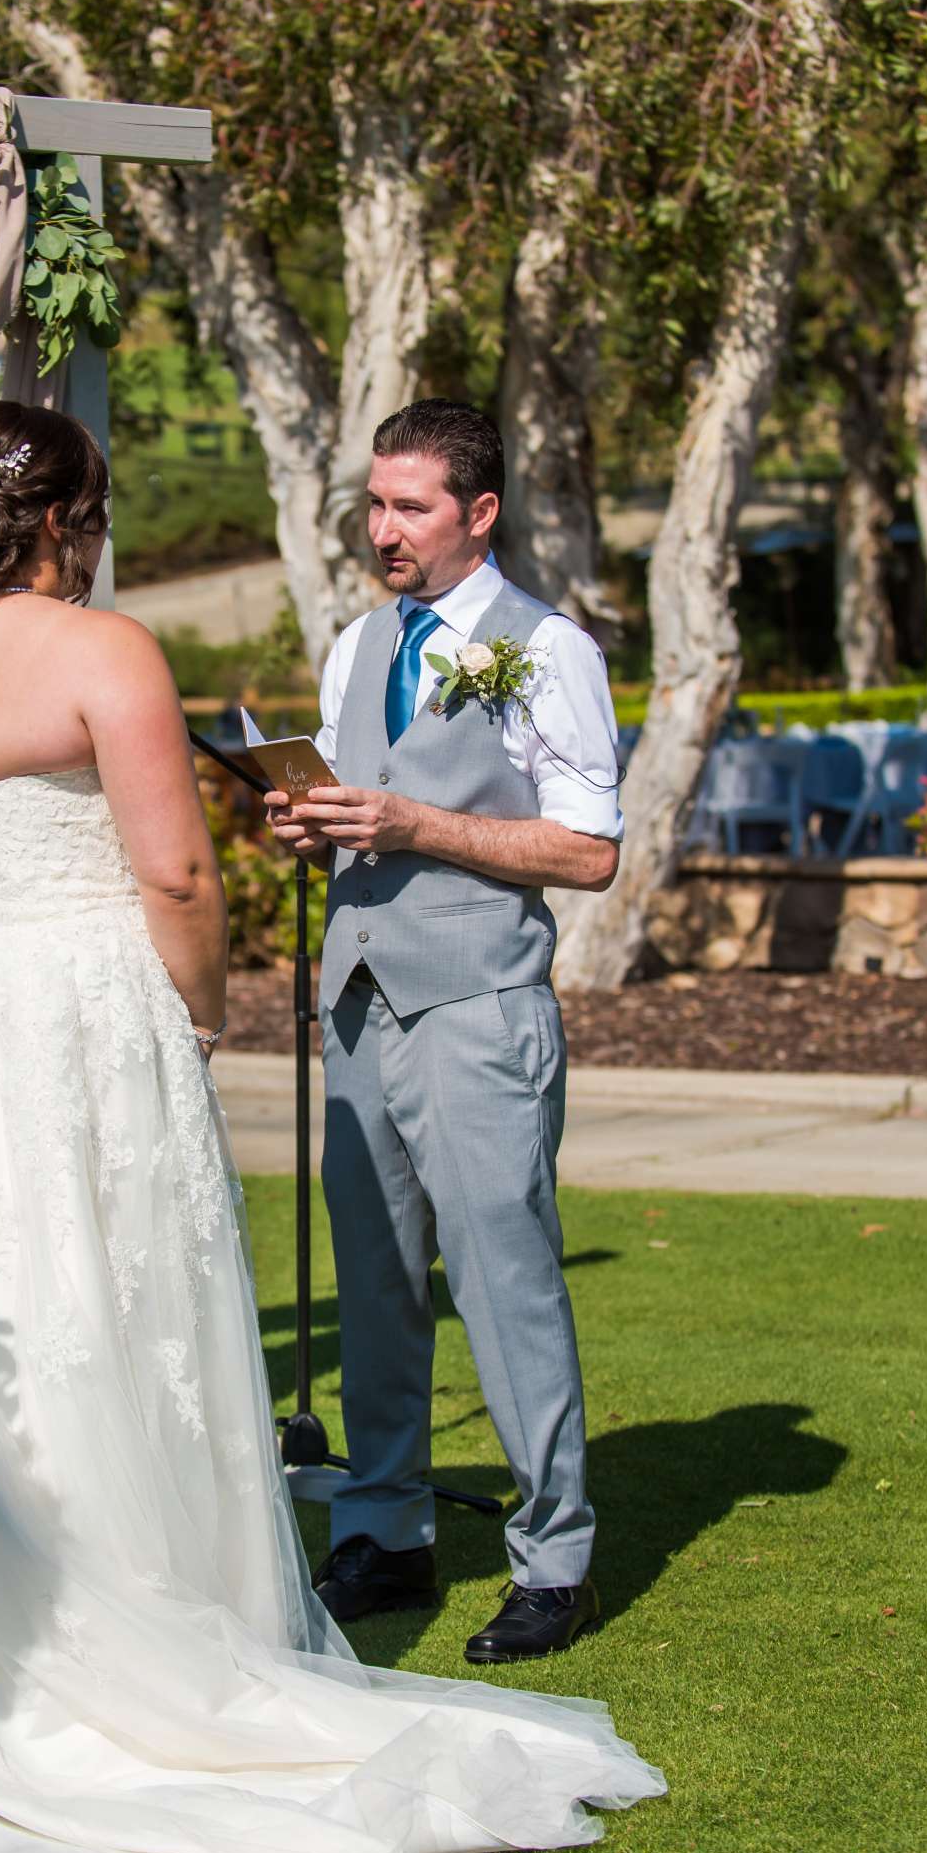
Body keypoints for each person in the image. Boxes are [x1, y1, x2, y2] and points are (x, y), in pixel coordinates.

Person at [0, 398, 663, 1853]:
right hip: (65, 1012)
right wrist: (187, 1007)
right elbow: (176, 870)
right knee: (92, 1297)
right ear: (69, 516)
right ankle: (132, 1631)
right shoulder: (103, 653)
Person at [266, 398, 622, 1664]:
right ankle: (386, 1531)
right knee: (373, 1288)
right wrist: (308, 822)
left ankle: (556, 1555)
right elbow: (359, 806)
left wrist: (417, 826)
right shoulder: (360, 647)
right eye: (374, 504)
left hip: (478, 1005)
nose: (384, 530)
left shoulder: (550, 648)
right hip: (358, 1006)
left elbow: (587, 852)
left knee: (503, 1281)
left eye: (410, 507)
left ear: (480, 514)